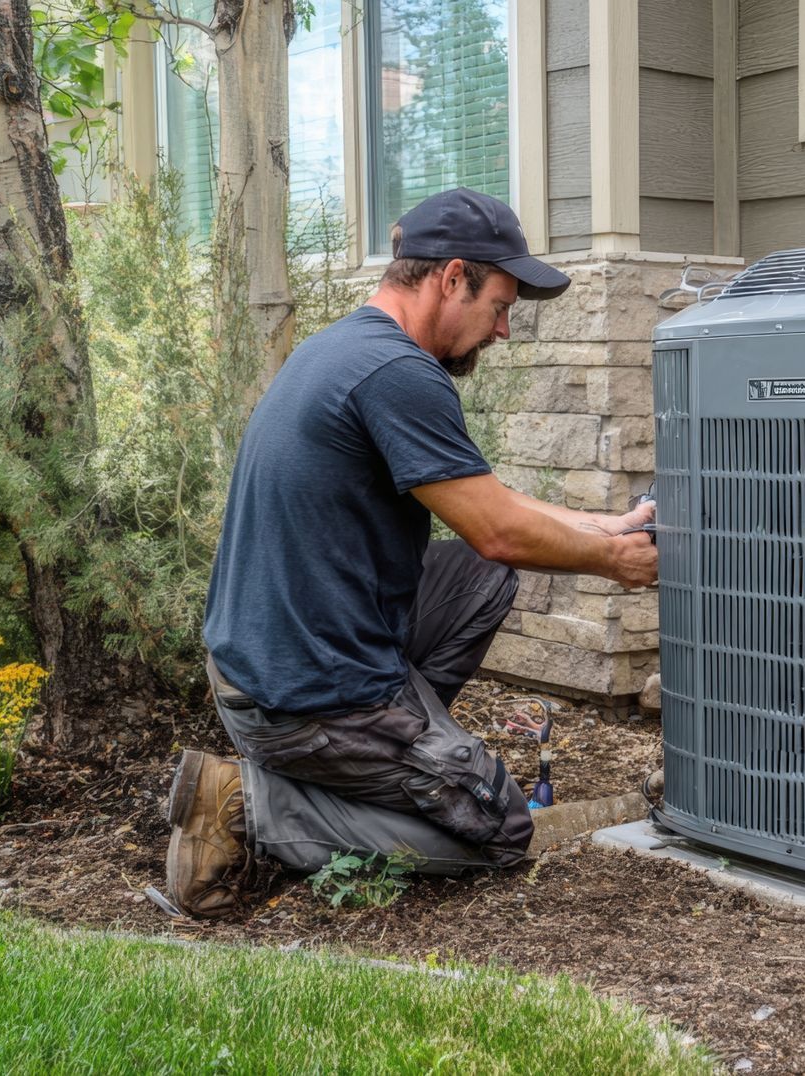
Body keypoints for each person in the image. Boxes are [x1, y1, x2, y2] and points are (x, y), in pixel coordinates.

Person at [165, 188, 659, 918]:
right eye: (500, 305)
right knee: (497, 831)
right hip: (301, 698)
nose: (504, 332)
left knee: (482, 579)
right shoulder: (398, 373)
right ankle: (252, 805)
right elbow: (499, 528)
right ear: (452, 277)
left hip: (268, 663)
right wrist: (614, 564)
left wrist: (605, 525)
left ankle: (398, 762)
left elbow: (488, 505)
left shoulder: (344, 347)